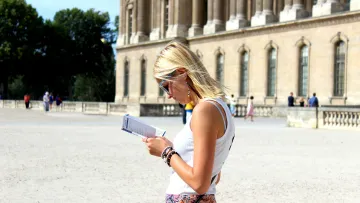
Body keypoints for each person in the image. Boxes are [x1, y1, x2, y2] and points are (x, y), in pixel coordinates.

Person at [143, 41, 235, 203]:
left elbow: (199, 183)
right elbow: (214, 175)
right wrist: (173, 148)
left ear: (182, 73)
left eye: (166, 86)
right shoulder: (218, 106)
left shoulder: (204, 111)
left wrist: (166, 152)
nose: (168, 95)